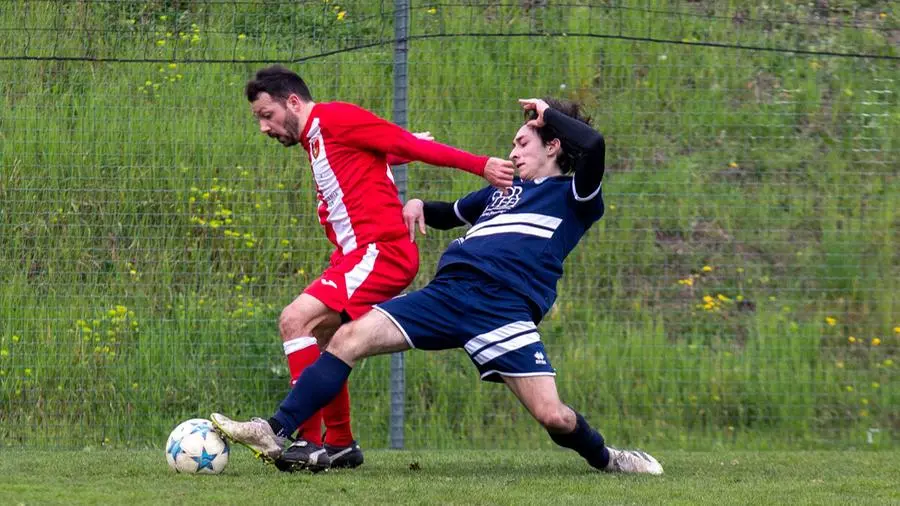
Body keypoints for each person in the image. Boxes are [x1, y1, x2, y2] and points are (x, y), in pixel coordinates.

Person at [213, 97, 663, 475]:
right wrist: (417, 204)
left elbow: (595, 144)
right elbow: (448, 212)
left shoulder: (574, 196)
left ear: (554, 145)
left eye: (523, 141)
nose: (513, 150)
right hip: (446, 295)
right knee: (347, 337)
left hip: (503, 309)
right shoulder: (501, 192)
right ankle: (276, 429)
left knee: (554, 416)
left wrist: (547, 112)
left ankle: (609, 459)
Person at [241, 65, 515, 470]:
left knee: (294, 319)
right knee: (324, 337)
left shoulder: (335, 118)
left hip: (381, 252)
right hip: (358, 256)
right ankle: (340, 444)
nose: (265, 127)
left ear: (293, 102)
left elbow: (409, 145)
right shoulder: (316, 138)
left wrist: (481, 165)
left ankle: (305, 441)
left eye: (268, 115)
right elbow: (382, 150)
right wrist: (398, 149)